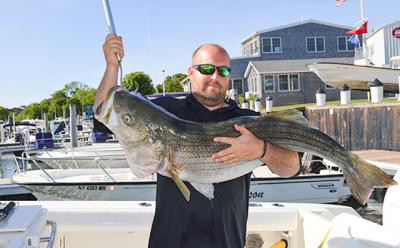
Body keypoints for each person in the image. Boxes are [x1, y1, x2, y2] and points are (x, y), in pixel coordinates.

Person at [94, 34, 300, 248]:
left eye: (224, 71)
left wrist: (261, 150)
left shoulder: (250, 122)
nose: (215, 76)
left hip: (228, 242)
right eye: (208, 69)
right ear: (191, 73)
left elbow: (292, 167)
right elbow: (104, 115)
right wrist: (111, 67)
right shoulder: (167, 111)